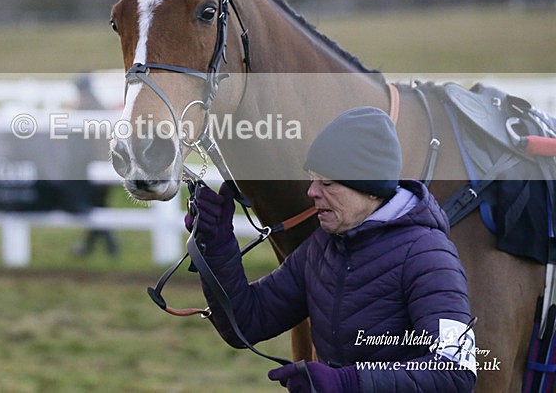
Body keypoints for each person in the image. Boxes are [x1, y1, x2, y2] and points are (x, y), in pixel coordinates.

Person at [185, 107, 476, 392]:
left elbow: (455, 370)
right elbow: (247, 323)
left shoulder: (430, 257)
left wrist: (345, 382)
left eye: (327, 182)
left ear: (370, 188)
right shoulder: (322, 246)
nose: (312, 191)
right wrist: (216, 244)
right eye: (313, 179)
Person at [69, 74, 120, 257]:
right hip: (105, 165)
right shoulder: (98, 106)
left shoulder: (85, 109)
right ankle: (97, 247)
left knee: (97, 206)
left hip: (97, 167)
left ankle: (102, 247)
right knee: (99, 206)